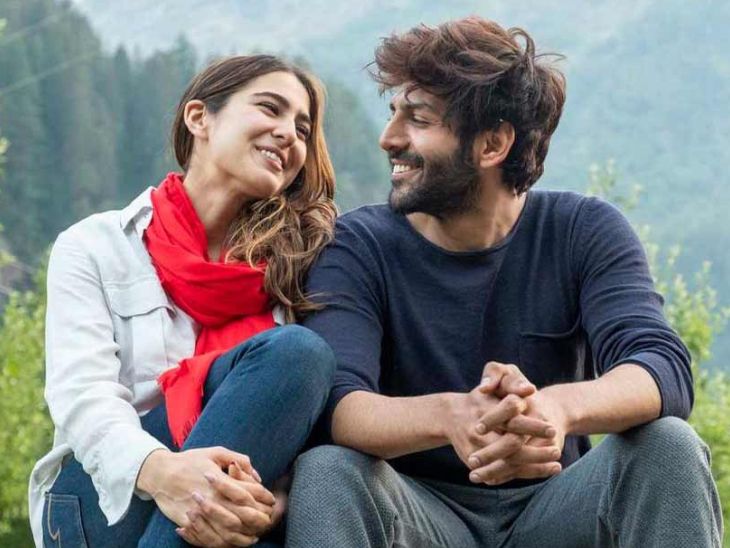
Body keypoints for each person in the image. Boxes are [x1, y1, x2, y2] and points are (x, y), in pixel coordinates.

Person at [286, 17, 723, 547]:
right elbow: (340, 405)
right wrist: (453, 417)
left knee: (668, 444)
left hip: (558, 507)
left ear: (492, 144)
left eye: (417, 118)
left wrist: (555, 409)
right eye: (393, 112)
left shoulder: (584, 230)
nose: (389, 138)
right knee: (328, 468)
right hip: (419, 515)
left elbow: (661, 366)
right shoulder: (357, 244)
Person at [28, 54, 338, 547]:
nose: (289, 135)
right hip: (105, 497)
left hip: (237, 508)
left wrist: (275, 500)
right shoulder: (96, 246)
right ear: (199, 118)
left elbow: (296, 424)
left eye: (302, 129)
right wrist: (164, 473)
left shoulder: (295, 272)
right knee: (296, 353)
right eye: (269, 108)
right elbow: (83, 399)